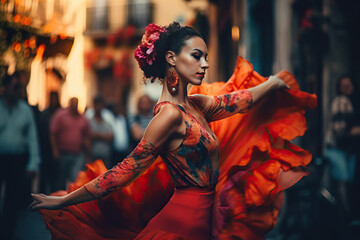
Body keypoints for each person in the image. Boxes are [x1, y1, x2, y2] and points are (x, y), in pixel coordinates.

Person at [29, 22, 316, 240]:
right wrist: (65, 200)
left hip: (202, 217)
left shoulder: (197, 105)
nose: (204, 64)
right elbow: (123, 172)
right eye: (196, 55)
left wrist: (275, 82)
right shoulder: (167, 117)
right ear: (171, 58)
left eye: (205, 57)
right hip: (182, 225)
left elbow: (240, 101)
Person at [0, 72, 41, 239]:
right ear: (5, 88)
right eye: (15, 87)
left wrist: (33, 163)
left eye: (20, 87)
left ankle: (7, 233)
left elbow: (32, 138)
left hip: (17, 160)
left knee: (12, 200)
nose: (18, 91)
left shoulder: (25, 110)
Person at [325, 75, 358, 221]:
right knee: (342, 182)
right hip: (337, 148)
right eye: (343, 85)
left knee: (347, 182)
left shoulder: (352, 102)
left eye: (349, 85)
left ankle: (346, 215)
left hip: (347, 149)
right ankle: (346, 215)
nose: (346, 88)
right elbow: (340, 130)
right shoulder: (340, 101)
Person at [50, 97, 91, 191]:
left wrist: (88, 153)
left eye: (76, 104)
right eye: (73, 103)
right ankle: (59, 198)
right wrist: (55, 150)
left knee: (75, 178)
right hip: (63, 152)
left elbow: (87, 136)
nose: (74, 106)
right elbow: (53, 133)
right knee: (61, 178)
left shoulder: (83, 118)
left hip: (78, 153)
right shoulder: (60, 115)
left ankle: (71, 200)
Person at [88, 95, 114, 168]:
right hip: (92, 156)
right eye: (97, 105)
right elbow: (88, 137)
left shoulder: (107, 121)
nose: (98, 107)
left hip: (105, 156)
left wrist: (97, 135)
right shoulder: (89, 121)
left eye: (100, 105)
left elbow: (111, 137)